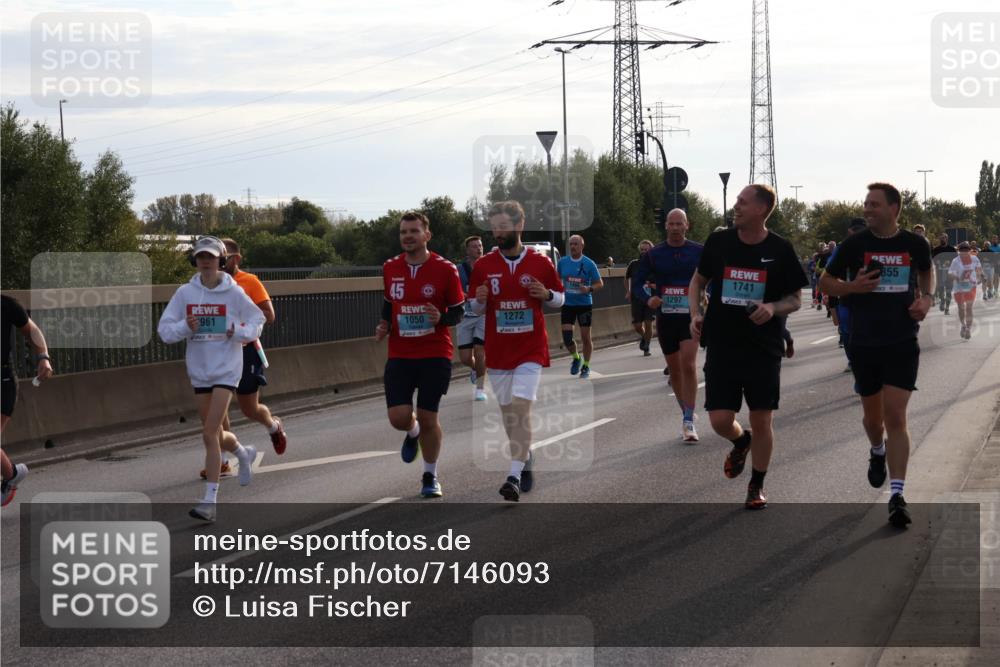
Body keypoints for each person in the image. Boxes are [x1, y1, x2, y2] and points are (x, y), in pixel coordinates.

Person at [820, 182, 934, 529]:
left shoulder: (915, 244)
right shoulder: (855, 244)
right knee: (874, 420)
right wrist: (852, 288)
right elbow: (826, 282)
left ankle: (897, 495)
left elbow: (928, 271)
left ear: (894, 208)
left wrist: (926, 298)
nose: (868, 210)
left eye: (875, 204)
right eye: (866, 204)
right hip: (864, 341)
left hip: (902, 339)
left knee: (896, 416)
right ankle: (876, 450)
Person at [688, 184, 808, 510]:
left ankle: (757, 484)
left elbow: (795, 299)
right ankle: (741, 442)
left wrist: (772, 308)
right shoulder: (719, 241)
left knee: (762, 419)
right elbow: (698, 281)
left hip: (763, 347)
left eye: (742, 202)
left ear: (760, 209)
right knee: (719, 420)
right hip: (723, 344)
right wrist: (696, 313)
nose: (735, 207)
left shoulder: (780, 248)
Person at [158, 236, 266, 522]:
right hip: (200, 370)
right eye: (201, 256)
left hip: (227, 369)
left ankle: (210, 501)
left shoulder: (234, 293)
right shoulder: (185, 293)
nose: (206, 261)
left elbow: (257, 321)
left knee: (208, 434)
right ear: (195, 260)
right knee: (216, 433)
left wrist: (237, 330)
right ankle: (243, 453)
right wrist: (185, 326)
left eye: (211, 256)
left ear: (221, 259)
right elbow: (165, 331)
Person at [469, 201, 565, 502]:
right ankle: (525, 457)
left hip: (530, 348)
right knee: (510, 416)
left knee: (522, 410)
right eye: (494, 226)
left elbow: (560, 298)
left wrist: (546, 294)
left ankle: (512, 475)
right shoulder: (484, 265)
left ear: (519, 226)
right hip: (498, 350)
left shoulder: (540, 263)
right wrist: (480, 300)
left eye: (503, 226)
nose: (498, 232)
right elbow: (473, 306)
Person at [375, 212, 466, 498]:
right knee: (398, 417)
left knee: (429, 417)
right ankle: (411, 432)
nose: (408, 236)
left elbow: (458, 312)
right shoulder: (390, 267)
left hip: (434, 353)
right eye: (403, 232)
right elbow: (389, 302)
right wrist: (385, 324)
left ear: (427, 235)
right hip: (401, 353)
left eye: (414, 231)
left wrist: (441, 316)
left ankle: (430, 475)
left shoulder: (445, 269)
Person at [195, 238, 287, 480]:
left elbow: (269, 315)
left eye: (224, 256)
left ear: (234, 259)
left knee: (249, 408)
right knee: (218, 407)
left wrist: (237, 325)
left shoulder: (249, 282)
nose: (219, 261)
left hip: (245, 350)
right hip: (216, 352)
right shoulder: (205, 286)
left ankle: (273, 426)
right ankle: (222, 461)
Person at [631, 208, 703, 442]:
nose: (674, 228)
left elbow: (714, 277)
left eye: (678, 224)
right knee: (675, 370)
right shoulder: (654, 254)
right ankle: (686, 413)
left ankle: (689, 420)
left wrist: (707, 293)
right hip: (666, 318)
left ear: (686, 226)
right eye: (670, 224)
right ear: (665, 227)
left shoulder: (698, 251)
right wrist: (648, 298)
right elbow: (637, 282)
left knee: (689, 365)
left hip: (689, 317)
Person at [1, 295, 53, 507]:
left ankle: (12, 475)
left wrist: (43, 357)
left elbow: (32, 331)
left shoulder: (5, 305)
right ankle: (12, 473)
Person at [557, 235, 604, 379]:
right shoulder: (562, 262)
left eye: (576, 244)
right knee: (567, 338)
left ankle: (586, 366)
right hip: (567, 304)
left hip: (584, 304)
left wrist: (589, 289)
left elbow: (600, 283)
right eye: (571, 244)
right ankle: (576, 358)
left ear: (582, 246)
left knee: (585, 338)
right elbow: (556, 279)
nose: (573, 247)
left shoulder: (589, 263)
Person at [456, 236, 488, 402]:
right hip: (465, 316)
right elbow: (452, 290)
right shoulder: (459, 270)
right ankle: (476, 369)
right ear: (468, 250)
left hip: (483, 315)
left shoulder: (489, 267)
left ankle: (480, 389)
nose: (478, 249)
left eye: (480, 246)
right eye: (474, 246)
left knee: (480, 350)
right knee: (465, 358)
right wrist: (465, 295)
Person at [625, 240, 656, 357]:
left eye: (646, 250)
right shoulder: (634, 264)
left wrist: (654, 286)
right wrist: (628, 291)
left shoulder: (655, 264)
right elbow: (626, 278)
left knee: (648, 323)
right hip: (636, 298)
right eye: (642, 249)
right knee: (637, 325)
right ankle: (644, 337)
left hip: (650, 298)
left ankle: (647, 346)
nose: (643, 252)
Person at [948, 242, 985, 339]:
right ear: (958, 251)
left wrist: (982, 276)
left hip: (971, 286)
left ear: (969, 250)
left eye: (966, 250)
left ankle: (968, 329)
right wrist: (957, 277)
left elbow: (979, 269)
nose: (964, 252)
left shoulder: (974, 259)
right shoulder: (955, 261)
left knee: (969, 308)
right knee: (961, 308)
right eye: (961, 250)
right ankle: (963, 325)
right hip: (959, 287)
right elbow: (950, 273)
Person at [931, 233, 957, 314]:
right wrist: (936, 262)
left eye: (944, 238)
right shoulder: (936, 250)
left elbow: (957, 261)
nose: (943, 239)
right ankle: (942, 300)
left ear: (947, 239)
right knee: (941, 289)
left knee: (949, 291)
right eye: (941, 238)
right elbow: (931, 260)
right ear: (939, 239)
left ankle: (947, 308)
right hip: (939, 273)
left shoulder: (952, 249)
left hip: (949, 273)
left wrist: (950, 263)